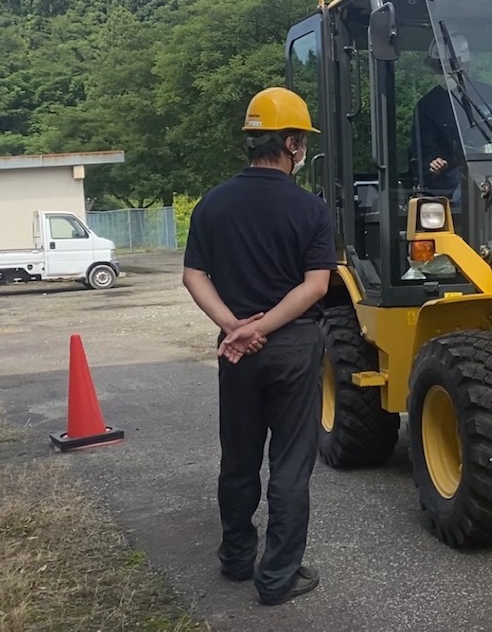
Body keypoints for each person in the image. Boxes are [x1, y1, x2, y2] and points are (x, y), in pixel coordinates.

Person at [181, 86, 336, 606]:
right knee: (291, 464)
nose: (302, 150)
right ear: (291, 142)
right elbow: (316, 286)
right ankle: (277, 579)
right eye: (301, 141)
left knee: (239, 457)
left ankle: (236, 559)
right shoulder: (310, 209)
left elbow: (192, 275)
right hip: (293, 347)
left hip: (236, 352)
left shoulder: (213, 203)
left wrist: (235, 327)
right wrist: (265, 326)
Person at [413, 33, 492, 202]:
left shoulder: (489, 96)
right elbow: (422, 147)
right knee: (465, 193)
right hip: (449, 178)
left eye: (448, 66)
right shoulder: (427, 106)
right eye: (438, 67)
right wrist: (432, 163)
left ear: (465, 64)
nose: (443, 72)